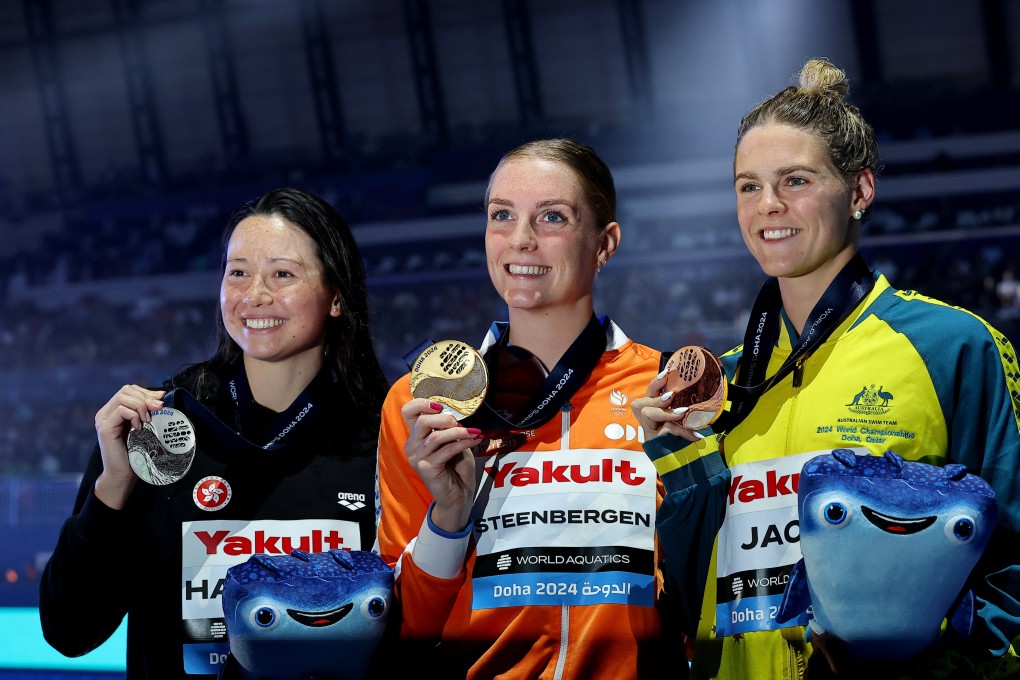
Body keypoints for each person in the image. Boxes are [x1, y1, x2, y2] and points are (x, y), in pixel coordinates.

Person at [632, 59, 1020, 679]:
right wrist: (680, 468)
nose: (769, 205)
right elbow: (691, 596)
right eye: (748, 185)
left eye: (796, 180)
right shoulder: (723, 383)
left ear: (860, 191)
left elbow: (1012, 567)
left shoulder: (953, 347)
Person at [39, 188, 390, 678]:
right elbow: (70, 631)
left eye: (282, 274)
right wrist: (113, 488)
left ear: (336, 297)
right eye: (238, 272)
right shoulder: (159, 430)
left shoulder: (381, 437)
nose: (255, 295)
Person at [375, 139, 681, 679]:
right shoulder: (421, 404)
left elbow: (695, 596)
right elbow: (406, 628)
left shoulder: (662, 390)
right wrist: (449, 518)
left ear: (605, 243)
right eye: (502, 216)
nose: (520, 240)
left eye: (552, 218)